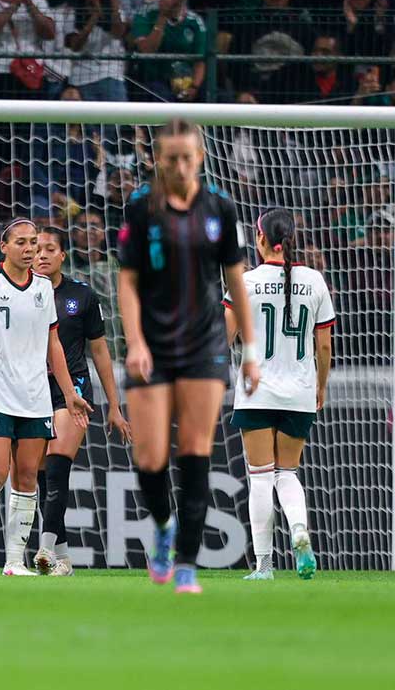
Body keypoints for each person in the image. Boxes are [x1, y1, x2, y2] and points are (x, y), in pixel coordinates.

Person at [117, 118, 261, 594]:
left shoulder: (220, 207)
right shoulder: (141, 207)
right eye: (171, 158)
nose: (180, 166)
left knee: (196, 452)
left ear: (200, 156)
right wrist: (135, 342)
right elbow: (127, 282)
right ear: (158, 159)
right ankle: (163, 524)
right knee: (150, 458)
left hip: (205, 345)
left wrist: (250, 351)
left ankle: (185, 565)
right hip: (153, 346)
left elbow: (235, 280)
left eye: (188, 157)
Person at [0, 220, 90, 577]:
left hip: (34, 394)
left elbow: (53, 344)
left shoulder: (43, 287)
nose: (30, 249)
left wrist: (69, 393)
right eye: (22, 242)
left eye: (34, 243)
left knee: (28, 476)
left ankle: (14, 562)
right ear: (4, 246)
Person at [224, 209, 334, 581]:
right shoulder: (315, 281)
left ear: (260, 238)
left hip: (257, 391)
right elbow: (323, 346)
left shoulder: (246, 282)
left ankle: (265, 566)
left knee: (260, 477)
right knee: (287, 473)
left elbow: (224, 338)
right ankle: (299, 529)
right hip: (300, 392)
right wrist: (320, 386)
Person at [30, 227, 130, 576]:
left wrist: (114, 405)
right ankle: (64, 559)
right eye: (37, 249)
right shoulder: (20, 294)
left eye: (49, 249)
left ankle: (44, 549)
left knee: (58, 466)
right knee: (42, 477)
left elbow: (99, 351)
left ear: (63, 255)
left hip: (74, 389)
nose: (42, 255)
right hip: (32, 391)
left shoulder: (81, 295)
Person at [129, 0, 206, 102]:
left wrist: (194, 87)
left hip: (186, 80)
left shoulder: (195, 21)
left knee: (216, 96)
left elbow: (200, 61)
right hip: (152, 81)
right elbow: (147, 50)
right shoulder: (144, 14)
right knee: (161, 94)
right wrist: (163, 16)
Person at [60, 0, 127, 102]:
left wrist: (113, 5)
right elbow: (75, 46)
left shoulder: (116, 10)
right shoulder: (71, 13)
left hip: (110, 78)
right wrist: (93, 17)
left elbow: (118, 33)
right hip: (80, 80)